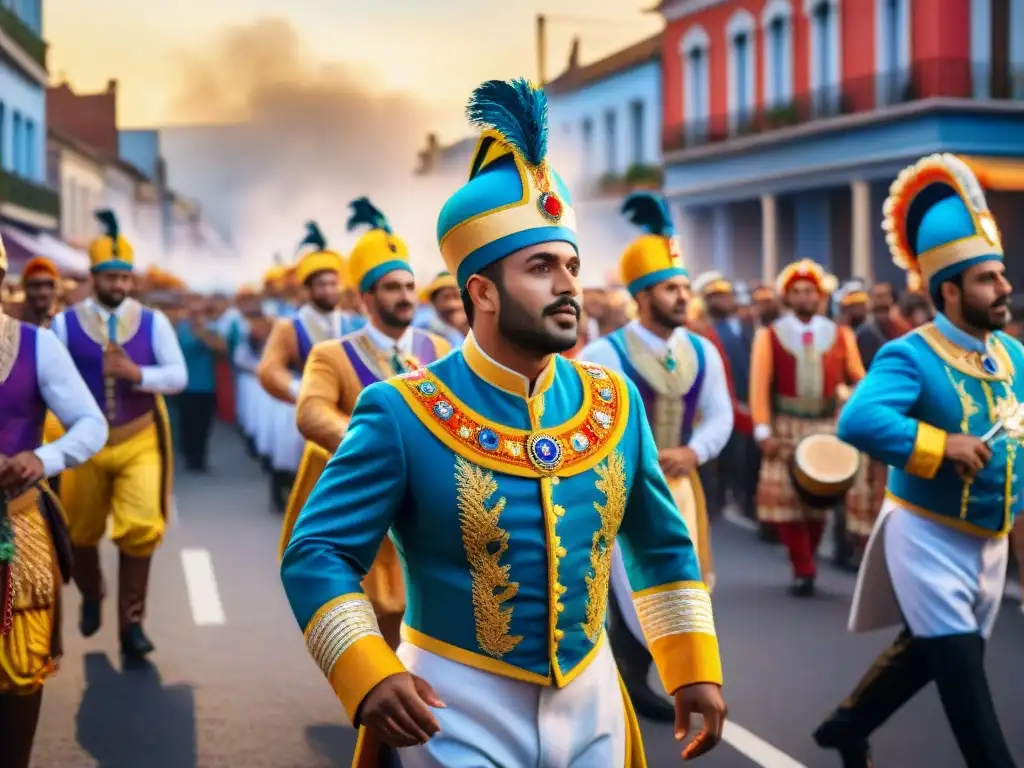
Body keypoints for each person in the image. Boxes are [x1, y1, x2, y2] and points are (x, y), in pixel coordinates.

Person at [281, 78, 726, 767]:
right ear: (481, 291)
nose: (568, 286)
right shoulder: (400, 411)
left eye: (572, 266)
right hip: (451, 706)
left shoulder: (615, 402)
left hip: (596, 699)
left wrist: (693, 666)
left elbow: (662, 548)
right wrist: (366, 669)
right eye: (541, 266)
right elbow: (317, 553)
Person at [814, 153, 1019, 768]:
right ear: (948, 290)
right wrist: (941, 445)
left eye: (1002, 275)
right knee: (963, 678)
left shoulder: (1013, 355)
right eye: (988, 279)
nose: (1005, 288)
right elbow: (858, 420)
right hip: (926, 538)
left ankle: (844, 727)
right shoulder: (910, 354)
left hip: (991, 542)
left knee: (932, 655)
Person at [578, 193, 733, 723]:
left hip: (681, 489)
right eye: (671, 289)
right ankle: (626, 674)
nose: (682, 298)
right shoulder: (604, 354)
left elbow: (719, 415)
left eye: (684, 288)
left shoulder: (702, 351)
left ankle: (652, 673)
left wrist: (695, 450)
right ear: (643, 296)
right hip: (620, 491)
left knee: (681, 580)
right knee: (623, 587)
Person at [279, 198, 452, 649]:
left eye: (409, 286)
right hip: (368, 500)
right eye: (392, 287)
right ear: (365, 297)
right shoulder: (333, 354)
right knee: (378, 613)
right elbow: (311, 412)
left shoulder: (438, 350)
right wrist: (376, 452)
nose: (405, 296)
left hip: (431, 503)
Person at [52, 210, 187, 659]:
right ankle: (92, 594)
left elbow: (178, 376)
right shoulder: (65, 324)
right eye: (111, 276)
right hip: (84, 444)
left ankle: (131, 626)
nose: (120, 285)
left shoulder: (154, 322)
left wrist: (137, 373)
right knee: (79, 533)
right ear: (94, 277)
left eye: (125, 277)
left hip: (139, 439)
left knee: (142, 527)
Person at [0, 232, 107, 768]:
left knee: (20, 669)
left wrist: (43, 459)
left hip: (17, 522)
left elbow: (91, 424)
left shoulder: (37, 345)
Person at [750, 259, 869, 596]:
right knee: (788, 505)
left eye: (810, 291)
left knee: (819, 501)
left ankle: (810, 558)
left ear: (820, 296)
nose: (804, 297)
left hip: (826, 426)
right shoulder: (770, 336)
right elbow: (760, 385)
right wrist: (763, 429)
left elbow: (858, 378)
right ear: (788, 297)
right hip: (786, 425)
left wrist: (860, 402)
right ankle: (802, 566)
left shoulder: (841, 335)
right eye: (797, 291)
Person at [258, 223, 354, 512]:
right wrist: (299, 388)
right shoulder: (290, 326)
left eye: (332, 283)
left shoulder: (352, 324)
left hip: (347, 407)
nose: (328, 290)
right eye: (321, 285)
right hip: (302, 406)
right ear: (309, 289)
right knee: (298, 467)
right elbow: (270, 369)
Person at [175, 293, 226, 472]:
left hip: (206, 385)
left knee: (204, 424)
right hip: (185, 385)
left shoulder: (211, 328)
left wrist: (203, 332)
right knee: (187, 424)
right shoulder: (179, 328)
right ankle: (190, 456)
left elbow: (221, 351)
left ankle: (200, 458)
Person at [413, 271, 466, 347]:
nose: (452, 305)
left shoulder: (469, 325)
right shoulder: (423, 324)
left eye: (457, 297)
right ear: (433, 301)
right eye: (446, 297)